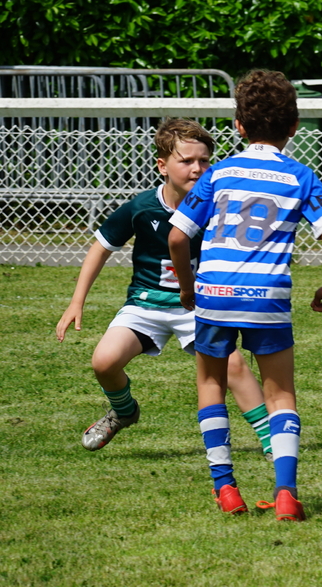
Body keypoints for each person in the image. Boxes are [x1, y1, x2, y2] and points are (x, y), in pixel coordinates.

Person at [168, 70, 322, 520]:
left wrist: (189, 288)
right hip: (267, 295)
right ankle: (286, 493)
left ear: (239, 125)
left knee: (211, 384)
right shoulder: (301, 176)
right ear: (294, 126)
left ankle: (226, 488)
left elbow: (177, 236)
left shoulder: (219, 173)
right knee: (280, 394)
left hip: (215, 293)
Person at [55, 118, 272, 458]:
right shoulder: (142, 207)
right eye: (186, 161)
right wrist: (76, 302)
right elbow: (100, 247)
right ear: (162, 166)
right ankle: (124, 411)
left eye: (204, 160)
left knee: (233, 366)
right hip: (146, 305)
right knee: (104, 362)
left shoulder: (220, 207)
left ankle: (273, 441)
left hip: (198, 306)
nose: (197, 168)